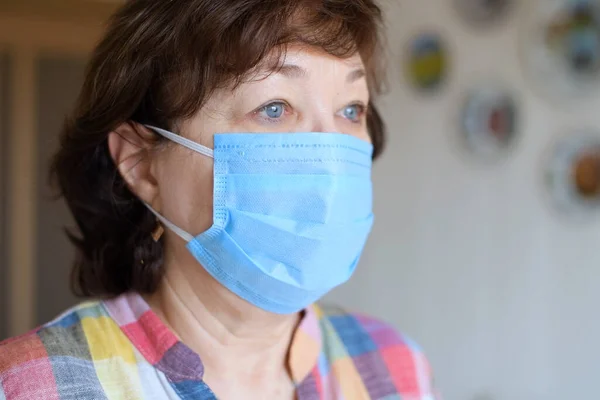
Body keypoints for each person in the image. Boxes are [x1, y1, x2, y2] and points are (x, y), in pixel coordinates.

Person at [0, 1, 439, 399]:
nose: (330, 157)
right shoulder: (34, 385)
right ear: (142, 164)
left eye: (350, 110)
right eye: (274, 107)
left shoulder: (394, 367)